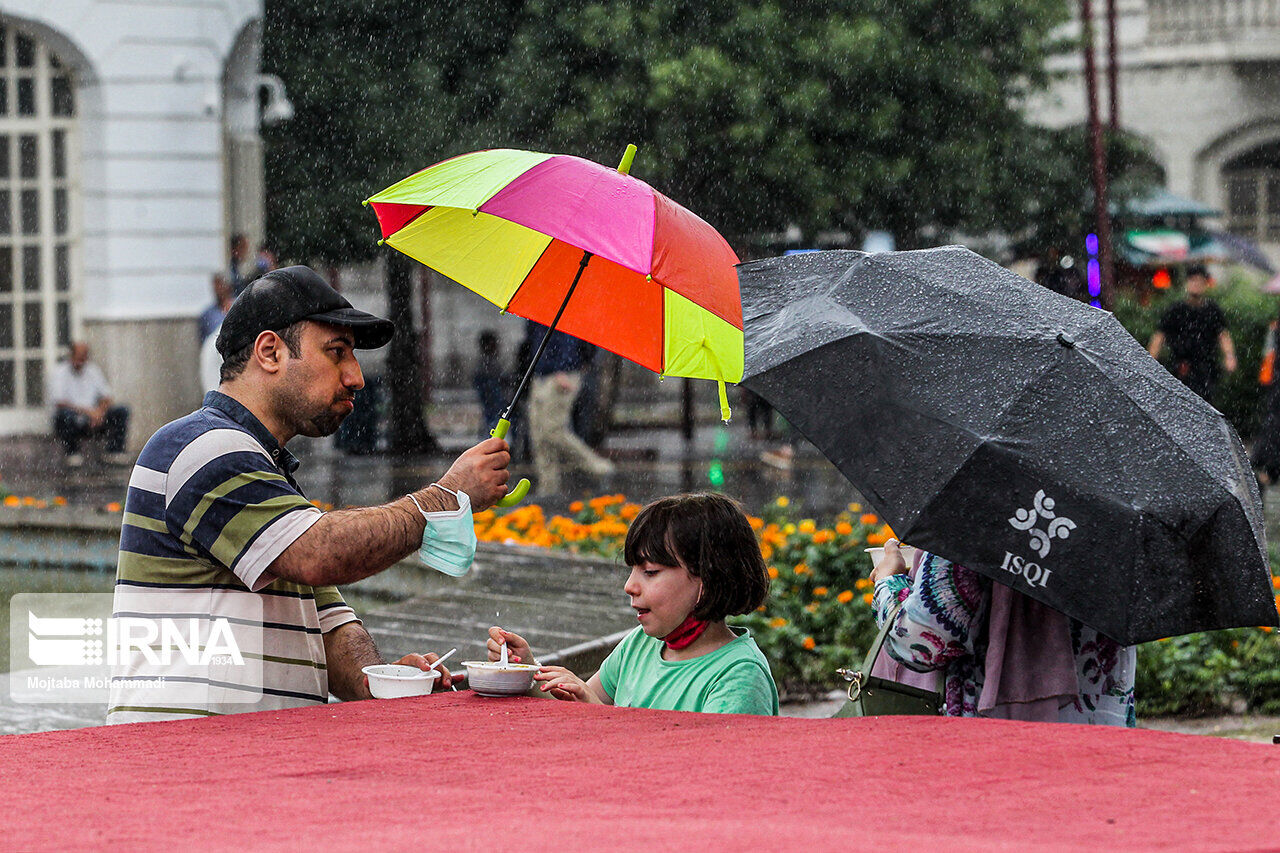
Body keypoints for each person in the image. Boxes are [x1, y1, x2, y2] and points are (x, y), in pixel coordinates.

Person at [107, 265, 511, 724]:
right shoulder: (205, 446)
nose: (356, 376)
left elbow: (326, 622)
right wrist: (444, 497)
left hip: (241, 764)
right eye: (337, 353)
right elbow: (322, 555)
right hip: (182, 762)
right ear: (270, 352)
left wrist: (374, 679)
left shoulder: (264, 468)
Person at [486, 493, 778, 715]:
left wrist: (598, 714)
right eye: (633, 570)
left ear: (709, 579)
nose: (630, 586)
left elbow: (706, 772)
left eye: (650, 572)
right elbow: (587, 700)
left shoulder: (738, 675)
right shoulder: (639, 645)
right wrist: (528, 672)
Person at [869, 539, 1135, 725]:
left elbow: (922, 641)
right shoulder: (1108, 502)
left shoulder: (976, 495)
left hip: (994, 735)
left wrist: (888, 581)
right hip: (1093, 721)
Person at [524, 321, 614, 493]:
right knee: (539, 435)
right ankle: (548, 486)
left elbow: (567, 334)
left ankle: (596, 466)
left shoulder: (558, 302)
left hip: (559, 375)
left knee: (552, 430)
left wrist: (562, 367)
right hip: (542, 373)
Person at [1147, 264, 1237, 402]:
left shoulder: (1212, 310)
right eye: (1193, 281)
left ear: (1205, 284)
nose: (1196, 285)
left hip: (1206, 368)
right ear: (1187, 283)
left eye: (1199, 281)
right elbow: (1159, 336)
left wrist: (1229, 357)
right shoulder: (1176, 310)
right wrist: (1150, 363)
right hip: (1180, 367)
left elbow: (1223, 335)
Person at [49, 341, 131, 467]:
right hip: (74, 417)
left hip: (93, 418)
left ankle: (114, 451)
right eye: (79, 355)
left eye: (84, 355)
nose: (82, 359)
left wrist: (99, 412)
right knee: (64, 416)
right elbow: (60, 402)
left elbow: (107, 396)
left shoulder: (92, 370)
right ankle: (72, 453)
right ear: (71, 355)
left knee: (122, 410)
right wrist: (89, 412)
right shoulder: (60, 372)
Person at [472, 330, 505, 437]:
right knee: (492, 418)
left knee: (491, 418)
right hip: (491, 395)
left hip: (491, 396)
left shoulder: (486, 363)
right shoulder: (486, 364)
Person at [197, 273, 235, 342]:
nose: (218, 289)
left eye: (220, 285)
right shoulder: (208, 314)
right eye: (215, 286)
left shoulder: (238, 305)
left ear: (228, 286)